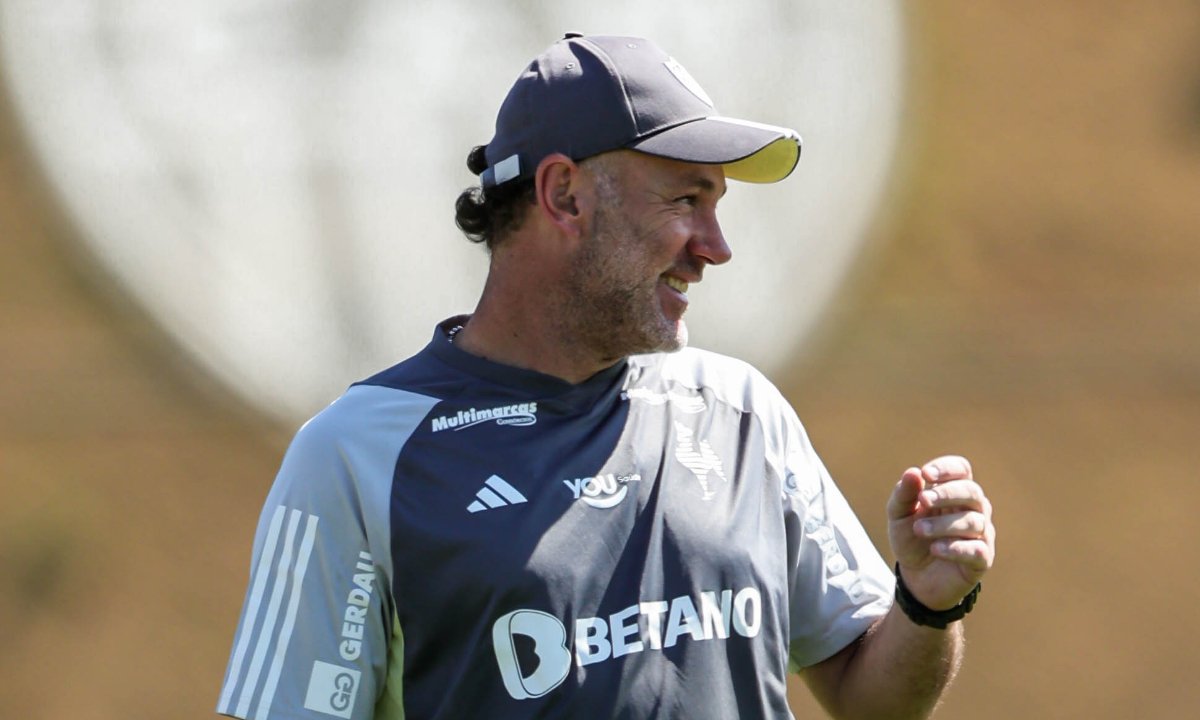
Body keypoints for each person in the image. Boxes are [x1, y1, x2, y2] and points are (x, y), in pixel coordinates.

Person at [217, 33, 996, 720]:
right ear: (564, 195)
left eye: (716, 204)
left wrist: (928, 605)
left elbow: (873, 699)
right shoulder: (355, 456)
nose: (715, 246)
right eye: (686, 200)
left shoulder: (739, 411)